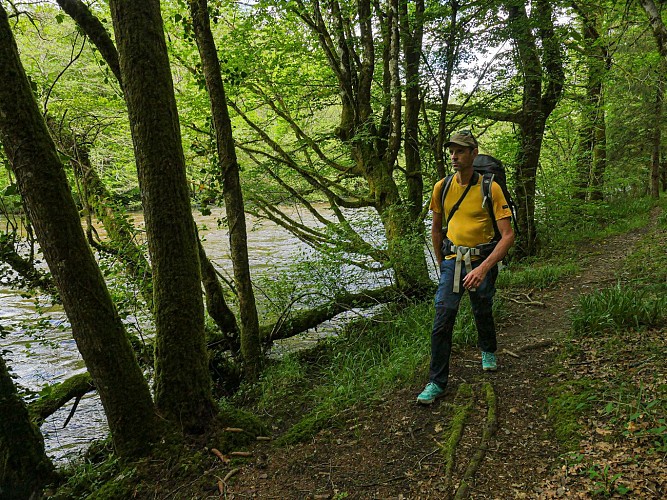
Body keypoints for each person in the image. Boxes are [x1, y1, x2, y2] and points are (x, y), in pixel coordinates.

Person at [417, 130, 515, 405]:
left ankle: (488, 350)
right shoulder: (442, 187)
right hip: (453, 262)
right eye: (452, 151)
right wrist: (442, 264)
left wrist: (483, 269)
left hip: (481, 260)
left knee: (482, 307)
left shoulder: (490, 188)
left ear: (474, 153)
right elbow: (436, 229)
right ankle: (436, 382)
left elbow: (507, 236)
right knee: (443, 317)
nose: (454, 156)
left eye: (460, 151)